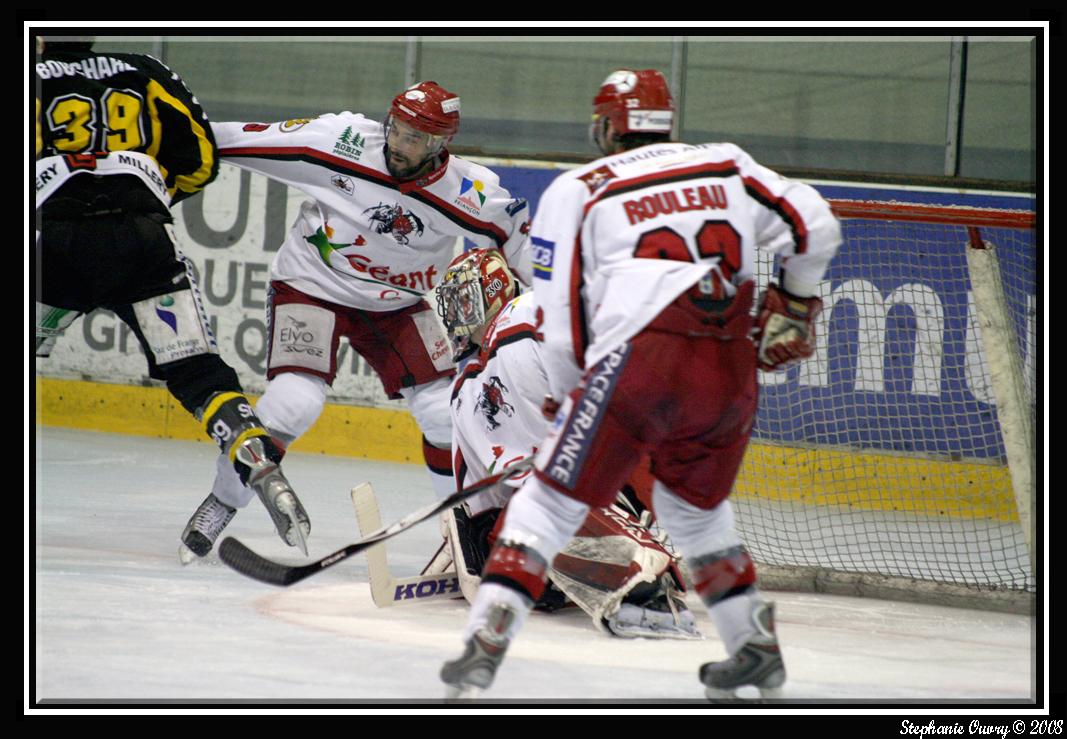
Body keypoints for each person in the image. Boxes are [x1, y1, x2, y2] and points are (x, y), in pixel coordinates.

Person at [439, 69, 841, 701]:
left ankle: (484, 643)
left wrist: (571, 393)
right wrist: (795, 304)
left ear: (605, 127)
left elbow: (562, 323)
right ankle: (754, 649)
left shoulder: (580, 189)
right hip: (730, 368)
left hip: (644, 360)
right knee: (697, 514)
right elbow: (816, 225)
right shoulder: (726, 164)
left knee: (544, 503)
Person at [178, 81, 532, 563]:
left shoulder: (471, 192)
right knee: (292, 403)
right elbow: (236, 138)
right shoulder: (340, 141)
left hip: (398, 305)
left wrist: (553, 309)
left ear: (440, 143)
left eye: (414, 138)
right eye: (396, 129)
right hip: (311, 286)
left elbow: (519, 243)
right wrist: (165, 138)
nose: (398, 144)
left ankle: (463, 529)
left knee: (444, 414)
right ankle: (222, 501)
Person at [34, 37, 310, 555]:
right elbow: (201, 157)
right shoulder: (144, 69)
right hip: (144, 240)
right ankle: (256, 459)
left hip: (52, 244)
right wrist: (145, 193)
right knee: (197, 370)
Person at [435, 248, 699, 639]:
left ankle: (637, 573)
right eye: (452, 305)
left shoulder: (524, 315)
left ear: (492, 289)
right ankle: (637, 570)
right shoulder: (465, 385)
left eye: (465, 299)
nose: (458, 314)